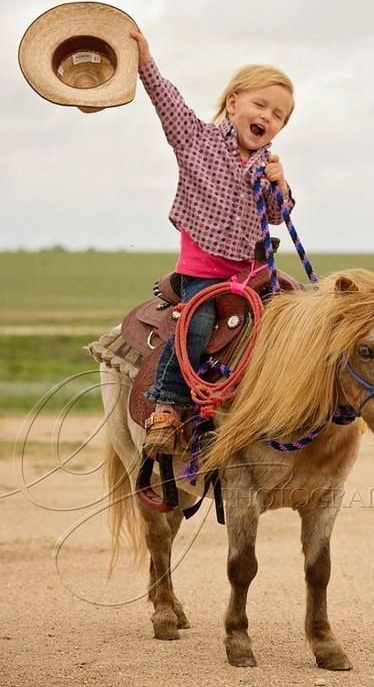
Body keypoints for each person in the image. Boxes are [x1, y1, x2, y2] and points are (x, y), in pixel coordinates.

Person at [130, 30, 295, 457]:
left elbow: (279, 215)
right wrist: (146, 61)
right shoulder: (196, 141)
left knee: (297, 320)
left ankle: (279, 410)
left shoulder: (266, 168)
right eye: (260, 104)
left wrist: (281, 186)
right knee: (198, 323)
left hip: (252, 272)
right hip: (204, 274)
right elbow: (168, 103)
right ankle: (166, 406)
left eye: (277, 114)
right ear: (233, 103)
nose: (267, 116)